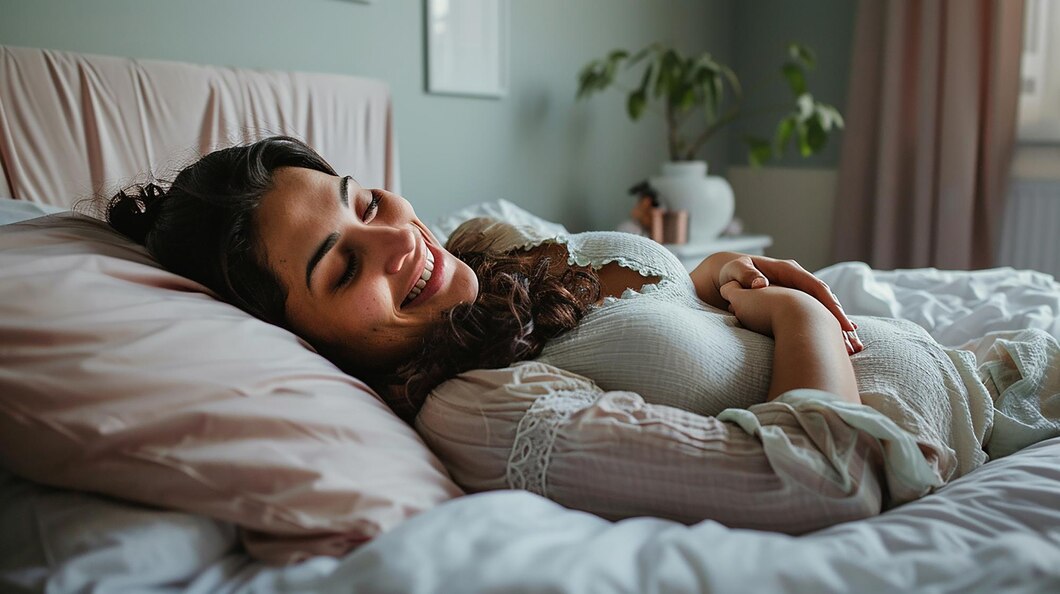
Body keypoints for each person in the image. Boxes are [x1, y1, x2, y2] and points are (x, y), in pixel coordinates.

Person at [107, 136, 1060, 533]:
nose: (399, 238)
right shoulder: (478, 408)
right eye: (342, 266)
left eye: (366, 201)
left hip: (998, 365)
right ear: (300, 339)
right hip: (987, 429)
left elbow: (656, 297)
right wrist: (800, 312)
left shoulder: (489, 263)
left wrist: (722, 275)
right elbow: (824, 481)